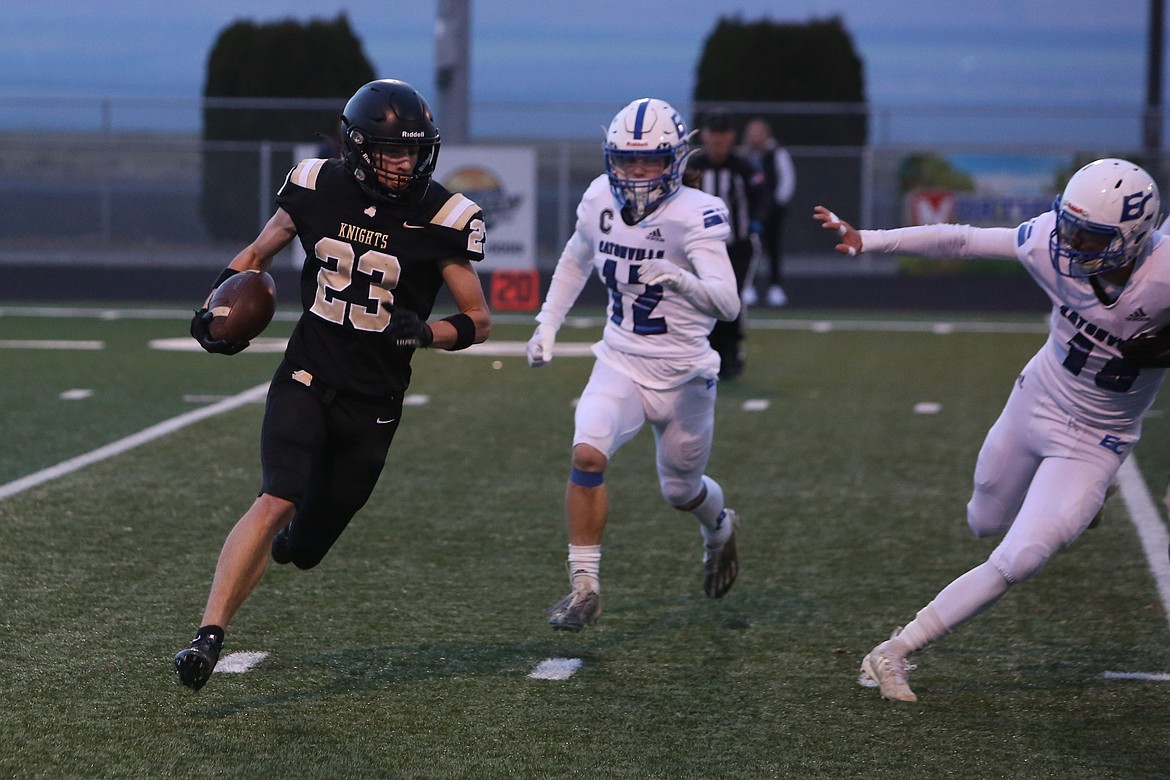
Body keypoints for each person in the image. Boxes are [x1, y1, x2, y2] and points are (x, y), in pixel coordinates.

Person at [174, 78, 491, 692]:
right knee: (276, 496)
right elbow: (258, 253)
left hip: (373, 403)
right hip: (307, 372)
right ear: (356, 148)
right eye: (390, 151)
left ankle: (294, 545)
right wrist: (213, 306)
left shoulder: (445, 215)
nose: (404, 163)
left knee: (306, 547)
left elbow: (478, 319)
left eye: (413, 150)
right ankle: (207, 636)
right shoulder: (317, 185)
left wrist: (427, 334)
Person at [814, 157, 1170, 703]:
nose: (1069, 244)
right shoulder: (1050, 241)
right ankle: (1087, 499)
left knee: (1021, 556)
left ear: (1132, 238)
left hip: (1098, 439)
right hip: (1038, 399)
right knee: (984, 520)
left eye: (1088, 236)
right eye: (1068, 226)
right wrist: (872, 239)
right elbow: (962, 241)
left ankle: (893, 650)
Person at [526, 97, 743, 631]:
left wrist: (680, 280)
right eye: (627, 159)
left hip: (686, 372)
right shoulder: (600, 197)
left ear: (676, 160)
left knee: (680, 491)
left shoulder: (696, 211)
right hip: (620, 359)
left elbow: (728, 302)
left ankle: (719, 529)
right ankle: (583, 587)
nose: (638, 171)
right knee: (587, 451)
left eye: (650, 160)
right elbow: (576, 257)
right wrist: (546, 323)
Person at [686, 109, 767, 379]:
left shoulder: (742, 167)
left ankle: (730, 353)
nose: (718, 140)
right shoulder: (693, 166)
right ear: (706, 136)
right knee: (702, 298)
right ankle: (707, 353)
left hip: (737, 246)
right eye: (714, 134)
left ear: (731, 137)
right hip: (700, 247)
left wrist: (756, 222)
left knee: (730, 299)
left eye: (723, 134)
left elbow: (761, 198)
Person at [740, 118, 796, 308]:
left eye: (759, 132)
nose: (755, 136)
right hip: (749, 211)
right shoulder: (744, 156)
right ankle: (748, 287)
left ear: (766, 134)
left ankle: (775, 288)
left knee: (773, 248)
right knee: (749, 249)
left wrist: (777, 204)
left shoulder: (777, 153)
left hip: (772, 211)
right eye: (752, 132)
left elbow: (787, 178)